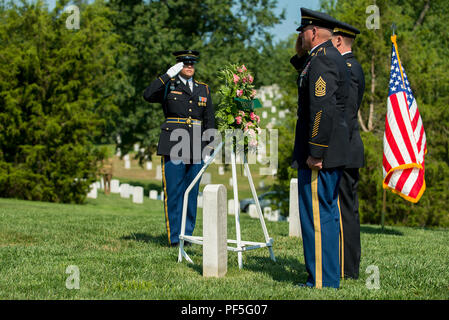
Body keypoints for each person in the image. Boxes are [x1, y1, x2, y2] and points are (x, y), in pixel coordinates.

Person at [290, 8, 350, 289]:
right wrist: (301, 51)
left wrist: (316, 150)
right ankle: (328, 277)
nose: (300, 37)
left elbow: (321, 110)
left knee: (316, 216)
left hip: (320, 154)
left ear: (313, 32)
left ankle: (322, 281)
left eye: (303, 32)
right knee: (326, 213)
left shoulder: (323, 61)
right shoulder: (325, 58)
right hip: (331, 151)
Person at [143, 50, 215, 247]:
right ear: (178, 66)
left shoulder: (203, 89)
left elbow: (209, 119)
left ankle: (187, 235)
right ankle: (175, 238)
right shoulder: (168, 86)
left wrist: (210, 146)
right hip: (173, 143)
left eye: (192, 63)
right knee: (174, 191)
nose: (189, 66)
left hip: (196, 145)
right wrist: (167, 75)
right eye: (185, 63)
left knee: (191, 192)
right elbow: (147, 95)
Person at [332, 21, 365, 280]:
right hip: (347, 148)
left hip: (344, 149)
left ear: (339, 40)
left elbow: (346, 113)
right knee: (346, 209)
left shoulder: (349, 68)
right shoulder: (351, 66)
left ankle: (347, 269)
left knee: (345, 211)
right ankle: (345, 267)